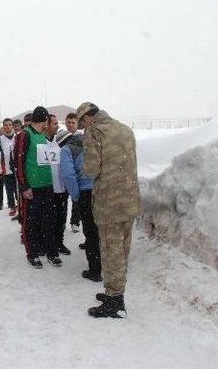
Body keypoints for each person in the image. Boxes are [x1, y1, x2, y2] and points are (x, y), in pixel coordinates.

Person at [77, 102, 141, 319]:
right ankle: (115, 292)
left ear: (87, 118)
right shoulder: (125, 129)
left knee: (110, 251)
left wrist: (83, 166)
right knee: (122, 249)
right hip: (129, 200)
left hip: (109, 203)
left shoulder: (94, 132)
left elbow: (91, 169)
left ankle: (115, 301)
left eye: (82, 122)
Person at [14, 106, 61, 268]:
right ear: (45, 120)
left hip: (47, 185)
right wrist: (24, 186)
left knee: (49, 221)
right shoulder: (24, 135)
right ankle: (32, 253)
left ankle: (51, 252)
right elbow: (18, 163)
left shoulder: (42, 135)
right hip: (32, 188)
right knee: (31, 222)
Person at [58, 129, 101, 282]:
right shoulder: (92, 144)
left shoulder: (66, 150)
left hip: (85, 192)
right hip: (101, 190)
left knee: (90, 231)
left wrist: (76, 196)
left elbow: (68, 174)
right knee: (102, 229)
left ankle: (95, 270)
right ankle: (109, 264)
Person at [44, 115, 70, 256]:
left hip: (62, 188)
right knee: (49, 219)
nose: (57, 126)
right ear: (46, 125)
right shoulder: (41, 143)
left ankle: (59, 243)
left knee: (61, 218)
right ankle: (49, 245)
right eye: (54, 124)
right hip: (48, 188)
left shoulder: (59, 141)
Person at [0, 118, 17, 216]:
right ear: (3, 127)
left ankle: (20, 206)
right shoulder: (0, 139)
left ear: (12, 126)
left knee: (18, 190)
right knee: (9, 189)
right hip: (6, 169)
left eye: (9, 124)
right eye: (6, 125)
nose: (7, 126)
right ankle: (12, 206)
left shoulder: (17, 137)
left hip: (17, 169)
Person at [64, 113, 82, 235]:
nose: (70, 125)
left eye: (73, 122)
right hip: (65, 173)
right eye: (68, 122)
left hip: (77, 174)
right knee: (63, 199)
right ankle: (61, 222)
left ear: (77, 124)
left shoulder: (82, 138)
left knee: (77, 200)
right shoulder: (61, 137)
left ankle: (75, 222)